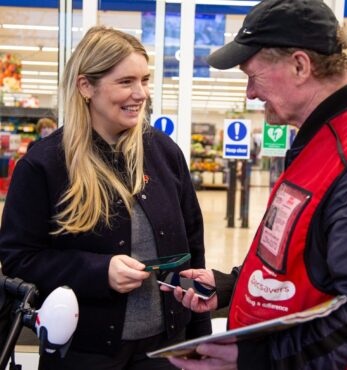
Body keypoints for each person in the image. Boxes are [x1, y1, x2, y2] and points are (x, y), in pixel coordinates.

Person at [163, 0, 347, 369]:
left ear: (300, 65)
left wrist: (259, 357)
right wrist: (231, 286)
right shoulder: (316, 142)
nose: (250, 94)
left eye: (252, 76)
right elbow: (301, 259)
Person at [0, 26, 211, 370]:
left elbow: (192, 248)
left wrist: (198, 340)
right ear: (86, 86)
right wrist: (99, 271)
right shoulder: (45, 164)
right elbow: (18, 258)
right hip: (84, 352)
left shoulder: (163, 152)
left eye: (144, 80)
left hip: (166, 349)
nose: (141, 93)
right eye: (126, 82)